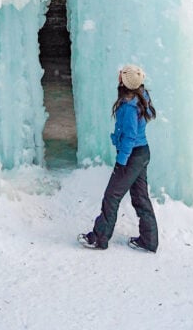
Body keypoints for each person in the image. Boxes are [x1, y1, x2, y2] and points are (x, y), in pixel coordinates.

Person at [77, 63, 158, 252]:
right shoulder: (140, 95)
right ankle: (149, 240)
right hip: (142, 152)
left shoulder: (130, 107)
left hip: (132, 156)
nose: (118, 76)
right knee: (140, 197)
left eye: (121, 75)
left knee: (111, 197)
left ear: (125, 82)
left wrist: (121, 162)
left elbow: (130, 136)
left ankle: (99, 238)